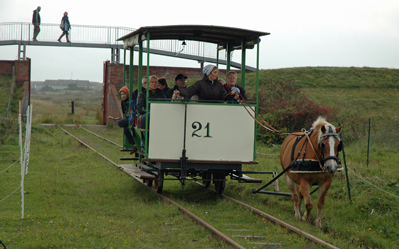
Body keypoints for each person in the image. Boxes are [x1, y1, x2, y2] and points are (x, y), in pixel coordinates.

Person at [110, 86, 138, 154]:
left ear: (127, 94)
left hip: (132, 118)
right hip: (128, 118)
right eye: (121, 94)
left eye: (124, 94)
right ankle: (134, 144)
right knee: (125, 129)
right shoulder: (122, 102)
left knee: (120, 123)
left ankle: (135, 144)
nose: (123, 96)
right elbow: (124, 112)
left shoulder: (129, 101)